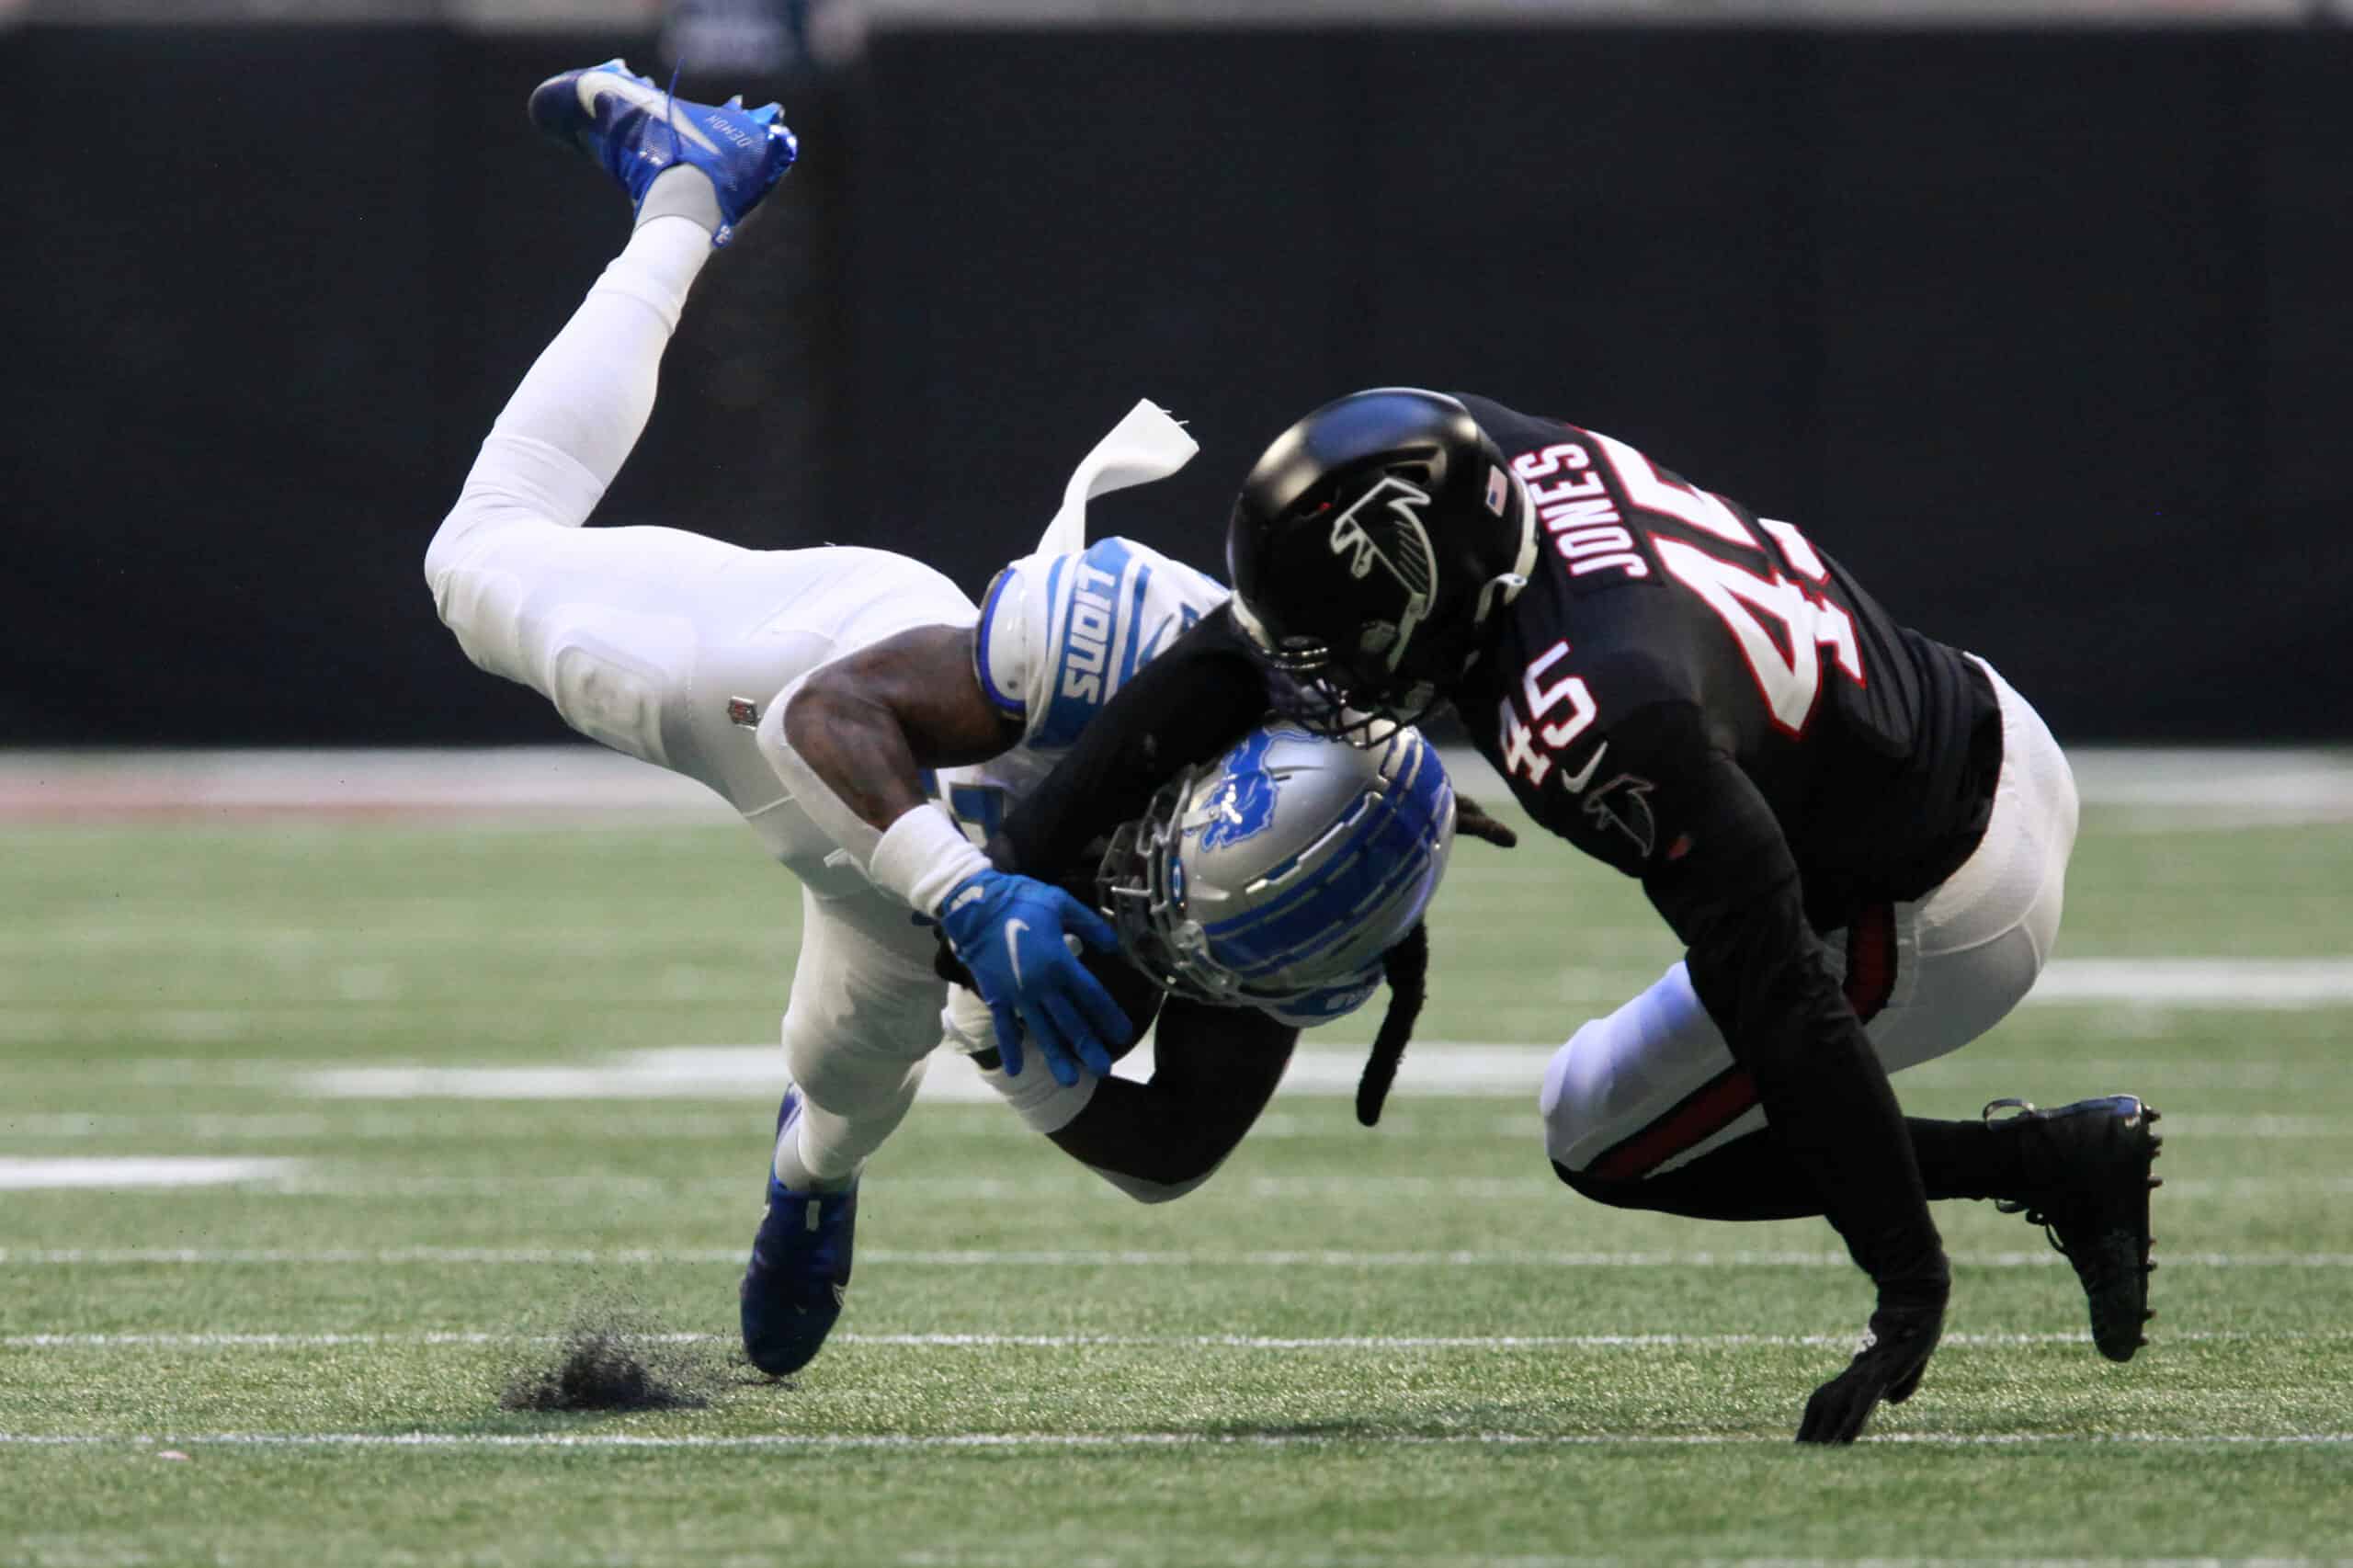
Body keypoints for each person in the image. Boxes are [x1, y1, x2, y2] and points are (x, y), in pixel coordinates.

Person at [422, 63, 1468, 1380]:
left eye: (1212, 953)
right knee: (473, 566)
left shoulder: (1309, 918)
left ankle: (808, 1174)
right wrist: (971, 900)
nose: (1169, 932)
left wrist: (1021, 1062)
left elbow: (1171, 1151)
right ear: (1211, 781)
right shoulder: (1130, 643)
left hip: (925, 902)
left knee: (849, 1079)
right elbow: (824, 713)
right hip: (844, 706)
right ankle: (688, 184)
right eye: (1185, 900)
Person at [969, 387, 2164, 1444]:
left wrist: (1907, 1275)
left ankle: (2048, 1162)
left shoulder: (1590, 709)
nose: (1320, 675)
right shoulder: (1472, 458)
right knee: (1604, 1091)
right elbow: (1235, 660)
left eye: (1339, 644)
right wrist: (1018, 860)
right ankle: (2051, 1159)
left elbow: (1781, 991)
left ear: (1421, 587)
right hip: (1959, 705)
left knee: (1602, 1131)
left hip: (1939, 895)